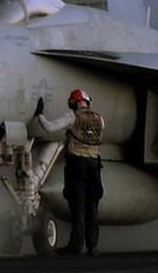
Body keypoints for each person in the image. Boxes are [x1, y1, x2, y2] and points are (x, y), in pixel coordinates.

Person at [33, 89, 105, 255]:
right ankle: (92, 246)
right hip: (94, 166)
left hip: (77, 166)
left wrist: (40, 114)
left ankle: (75, 245)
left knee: (78, 206)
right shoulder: (99, 119)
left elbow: (49, 128)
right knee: (92, 206)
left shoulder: (73, 117)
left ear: (75, 102)